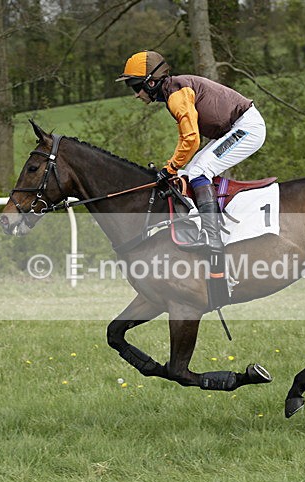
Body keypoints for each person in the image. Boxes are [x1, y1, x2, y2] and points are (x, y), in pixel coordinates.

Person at [116, 50, 266, 309]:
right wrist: (174, 168)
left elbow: (192, 139)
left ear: (151, 82)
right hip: (233, 129)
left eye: (136, 86)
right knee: (191, 172)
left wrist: (171, 166)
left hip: (246, 128)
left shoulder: (176, 94)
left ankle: (212, 236)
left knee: (196, 172)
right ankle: (204, 225)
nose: (136, 94)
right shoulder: (172, 91)